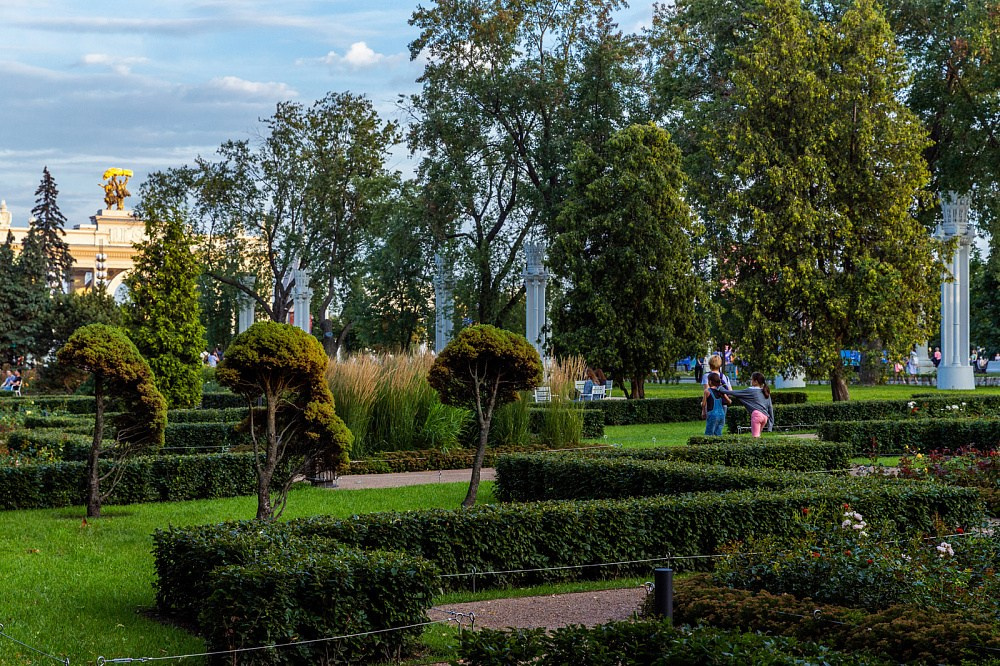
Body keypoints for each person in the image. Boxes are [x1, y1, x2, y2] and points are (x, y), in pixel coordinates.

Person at [717, 371, 774, 438]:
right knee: (758, 436)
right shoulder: (765, 391)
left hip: (757, 415)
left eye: (751, 379)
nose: (750, 381)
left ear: (755, 381)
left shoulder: (750, 390)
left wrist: (721, 389)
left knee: (755, 437)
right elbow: (770, 407)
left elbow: (735, 393)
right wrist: (770, 425)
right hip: (765, 417)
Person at [701, 372, 731, 436]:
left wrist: (703, 412)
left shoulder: (707, 391)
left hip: (712, 414)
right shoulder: (720, 390)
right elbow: (729, 401)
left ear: (710, 381)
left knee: (709, 434)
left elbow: (703, 404)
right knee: (718, 433)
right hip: (721, 414)